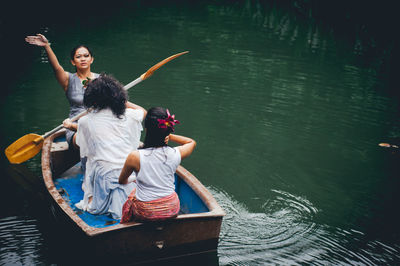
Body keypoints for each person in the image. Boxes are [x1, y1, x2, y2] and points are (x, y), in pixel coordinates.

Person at [64, 74, 147, 220]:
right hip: (128, 172)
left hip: (103, 174)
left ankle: (95, 198)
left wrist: (70, 126)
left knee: (92, 163)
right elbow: (143, 111)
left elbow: (83, 148)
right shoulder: (130, 115)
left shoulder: (85, 121)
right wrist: (123, 101)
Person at [119, 107, 196, 223]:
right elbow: (191, 142)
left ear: (146, 129)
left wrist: (135, 179)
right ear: (168, 130)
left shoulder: (135, 156)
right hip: (172, 208)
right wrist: (170, 137)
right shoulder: (175, 153)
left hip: (146, 212)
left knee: (131, 196)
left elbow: (122, 181)